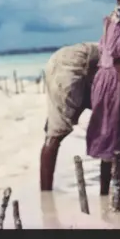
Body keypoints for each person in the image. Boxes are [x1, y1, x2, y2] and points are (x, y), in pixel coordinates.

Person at [86, 0, 120, 195]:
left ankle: (107, 194)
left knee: (109, 136)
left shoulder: (111, 20)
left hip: (103, 80)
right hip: (117, 81)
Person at [40, 41, 99, 191]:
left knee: (54, 131)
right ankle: (46, 195)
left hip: (64, 60)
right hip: (76, 64)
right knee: (55, 135)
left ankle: (45, 193)